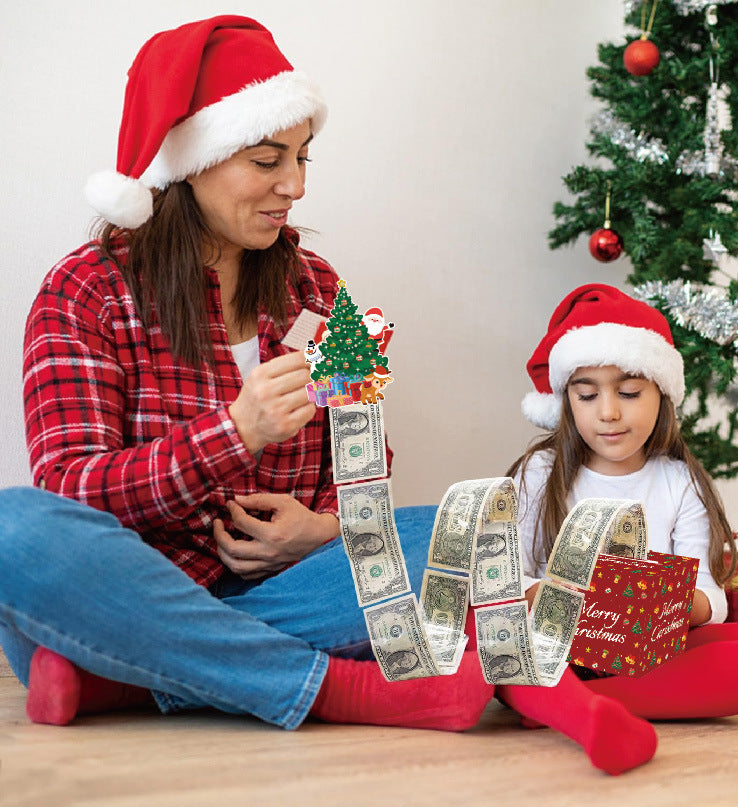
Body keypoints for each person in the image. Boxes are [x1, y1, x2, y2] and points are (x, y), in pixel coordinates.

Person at [0, 15, 495, 735]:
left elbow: (365, 465)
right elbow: (72, 487)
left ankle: (126, 673)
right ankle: (330, 686)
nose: (292, 185)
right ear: (191, 161)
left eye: (302, 158)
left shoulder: (322, 292)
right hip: (130, 586)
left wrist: (325, 529)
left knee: (468, 532)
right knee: (15, 529)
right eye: (267, 160)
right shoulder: (85, 290)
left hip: (290, 586)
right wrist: (235, 432)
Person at [506, 283, 738, 720]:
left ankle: (584, 707)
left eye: (629, 393)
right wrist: (572, 600)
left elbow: (710, 599)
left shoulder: (679, 481)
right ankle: (574, 700)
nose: (607, 412)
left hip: (652, 654)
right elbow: (505, 584)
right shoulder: (539, 474)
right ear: (566, 401)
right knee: (496, 644)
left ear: (661, 395)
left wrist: (657, 604)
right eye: (586, 395)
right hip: (554, 645)